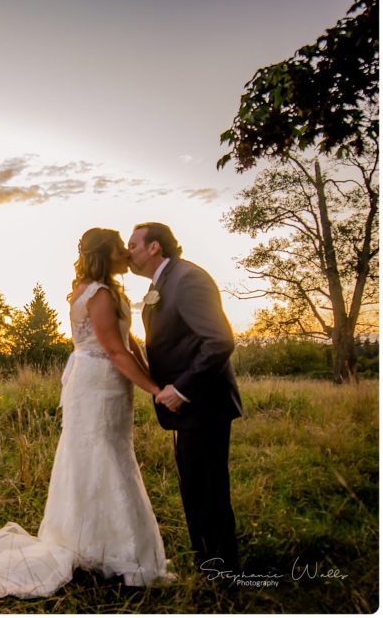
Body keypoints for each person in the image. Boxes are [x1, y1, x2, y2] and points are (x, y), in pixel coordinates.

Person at [0, 228, 173, 598]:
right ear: (108, 254)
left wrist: (151, 371)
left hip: (105, 381)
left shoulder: (101, 289)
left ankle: (95, 541)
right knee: (99, 453)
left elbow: (128, 343)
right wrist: (155, 390)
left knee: (104, 452)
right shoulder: (99, 294)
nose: (125, 253)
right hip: (98, 382)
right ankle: (111, 549)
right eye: (120, 248)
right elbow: (115, 351)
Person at [127, 222, 242, 573]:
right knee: (194, 484)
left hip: (202, 402)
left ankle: (220, 568)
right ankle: (208, 558)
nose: (127, 251)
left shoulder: (187, 278)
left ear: (154, 248)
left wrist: (182, 388)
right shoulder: (162, 282)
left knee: (207, 487)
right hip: (187, 406)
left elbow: (219, 340)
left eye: (133, 244)